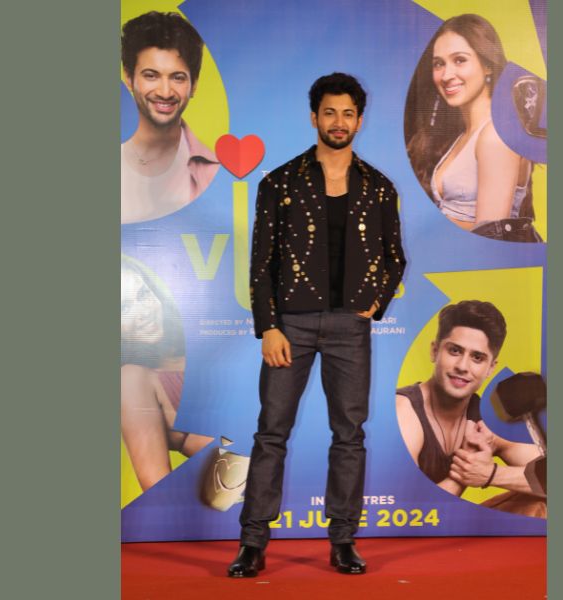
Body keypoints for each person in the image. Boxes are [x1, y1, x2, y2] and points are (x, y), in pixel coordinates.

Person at [228, 73, 406, 577]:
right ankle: (252, 543)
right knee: (271, 432)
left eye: (348, 113)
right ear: (314, 117)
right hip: (292, 326)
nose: (339, 122)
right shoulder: (279, 183)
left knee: (349, 435)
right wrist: (269, 327)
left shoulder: (379, 187)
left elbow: (395, 258)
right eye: (330, 112)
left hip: (351, 327)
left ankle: (343, 541)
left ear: (360, 121)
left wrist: (376, 301)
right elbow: (261, 264)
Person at [395, 300, 546, 517]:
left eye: (477, 357)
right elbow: (406, 515)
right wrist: (465, 469)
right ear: (435, 351)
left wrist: (490, 474)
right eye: (455, 351)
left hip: (453, 526)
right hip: (404, 530)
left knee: (542, 504)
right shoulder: (404, 412)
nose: (463, 366)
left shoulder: (486, 421)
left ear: (490, 368)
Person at [405, 14, 538, 240]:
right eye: (439, 64)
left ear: (487, 65)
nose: (446, 75)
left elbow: (490, 235)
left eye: (460, 60)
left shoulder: (495, 135)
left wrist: (420, 223)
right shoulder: (465, 134)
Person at [120, 258, 213, 492]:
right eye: (123, 308)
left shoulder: (202, 348)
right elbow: (157, 487)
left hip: (290, 466)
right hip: (257, 489)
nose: (143, 312)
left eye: (143, 294)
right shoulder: (132, 379)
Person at [120, 11, 219, 224]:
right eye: (151, 75)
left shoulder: (213, 171)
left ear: (194, 84)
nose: (165, 92)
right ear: (128, 77)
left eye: (178, 78)